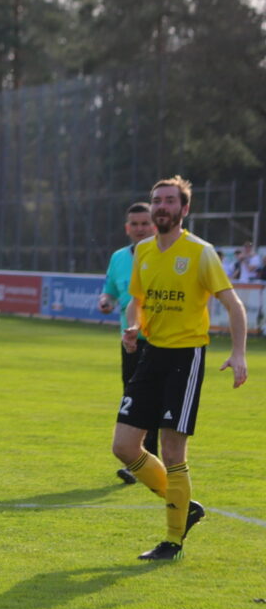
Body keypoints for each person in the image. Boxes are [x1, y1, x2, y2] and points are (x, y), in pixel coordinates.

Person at [111, 176, 248, 561]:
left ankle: (173, 541)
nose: (162, 207)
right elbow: (135, 301)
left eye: (170, 201)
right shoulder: (143, 251)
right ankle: (186, 507)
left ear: (184, 209)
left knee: (172, 451)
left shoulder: (201, 253)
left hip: (186, 358)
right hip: (151, 354)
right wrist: (133, 325)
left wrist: (238, 353)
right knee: (123, 446)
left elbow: (234, 306)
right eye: (157, 201)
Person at [98, 201, 157, 481]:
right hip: (130, 341)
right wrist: (105, 302)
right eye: (134, 224)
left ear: (155, 225)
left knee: (156, 402)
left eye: (145, 223)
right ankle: (139, 462)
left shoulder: (165, 255)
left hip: (162, 341)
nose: (140, 229)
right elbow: (109, 291)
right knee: (132, 402)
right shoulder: (119, 258)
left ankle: (154, 463)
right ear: (126, 228)